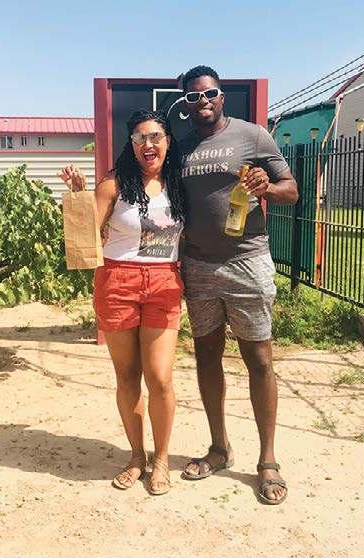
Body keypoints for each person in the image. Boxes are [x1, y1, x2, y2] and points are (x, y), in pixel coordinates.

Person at [178, 66, 298, 505]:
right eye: (194, 96)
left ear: (222, 95)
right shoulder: (180, 146)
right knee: (207, 356)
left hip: (246, 262)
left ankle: (267, 461)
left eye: (210, 93)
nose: (203, 101)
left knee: (259, 359)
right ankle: (219, 448)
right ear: (186, 103)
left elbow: (292, 190)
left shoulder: (253, 136)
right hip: (198, 265)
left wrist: (267, 187)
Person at [59, 110, 185, 496]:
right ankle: (136, 456)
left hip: (164, 282)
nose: (148, 144)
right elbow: (85, 235)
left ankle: (161, 458)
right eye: (140, 138)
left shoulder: (179, 184)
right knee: (128, 376)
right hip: (118, 282)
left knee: (159, 376)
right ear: (131, 145)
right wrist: (80, 197)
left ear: (168, 142)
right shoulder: (114, 185)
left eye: (156, 136)